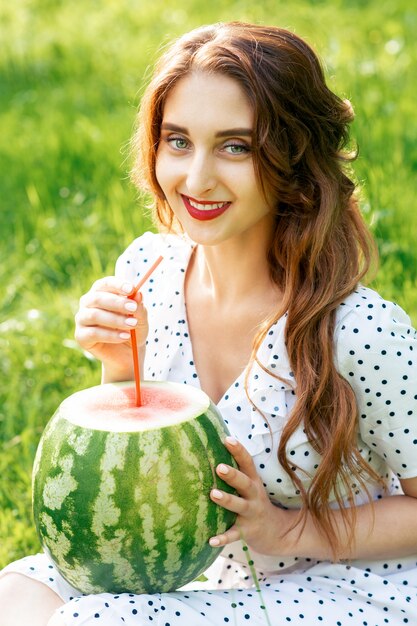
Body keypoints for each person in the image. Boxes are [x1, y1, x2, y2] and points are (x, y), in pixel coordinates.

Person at [1, 20, 417, 626]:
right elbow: (136, 474)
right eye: (177, 141)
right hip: (200, 570)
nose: (196, 179)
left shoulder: (361, 331)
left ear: (294, 159)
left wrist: (289, 528)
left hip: (351, 585)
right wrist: (117, 361)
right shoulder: (147, 268)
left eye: (235, 146)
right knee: (16, 595)